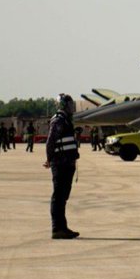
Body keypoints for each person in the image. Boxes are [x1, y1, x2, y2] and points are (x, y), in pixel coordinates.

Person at [44, 94, 81, 239]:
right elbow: (50, 142)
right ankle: (57, 228)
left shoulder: (66, 120)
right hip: (60, 164)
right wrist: (49, 159)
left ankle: (62, 227)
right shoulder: (58, 120)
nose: (72, 108)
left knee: (63, 196)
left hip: (67, 163)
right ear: (63, 105)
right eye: (70, 105)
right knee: (58, 196)